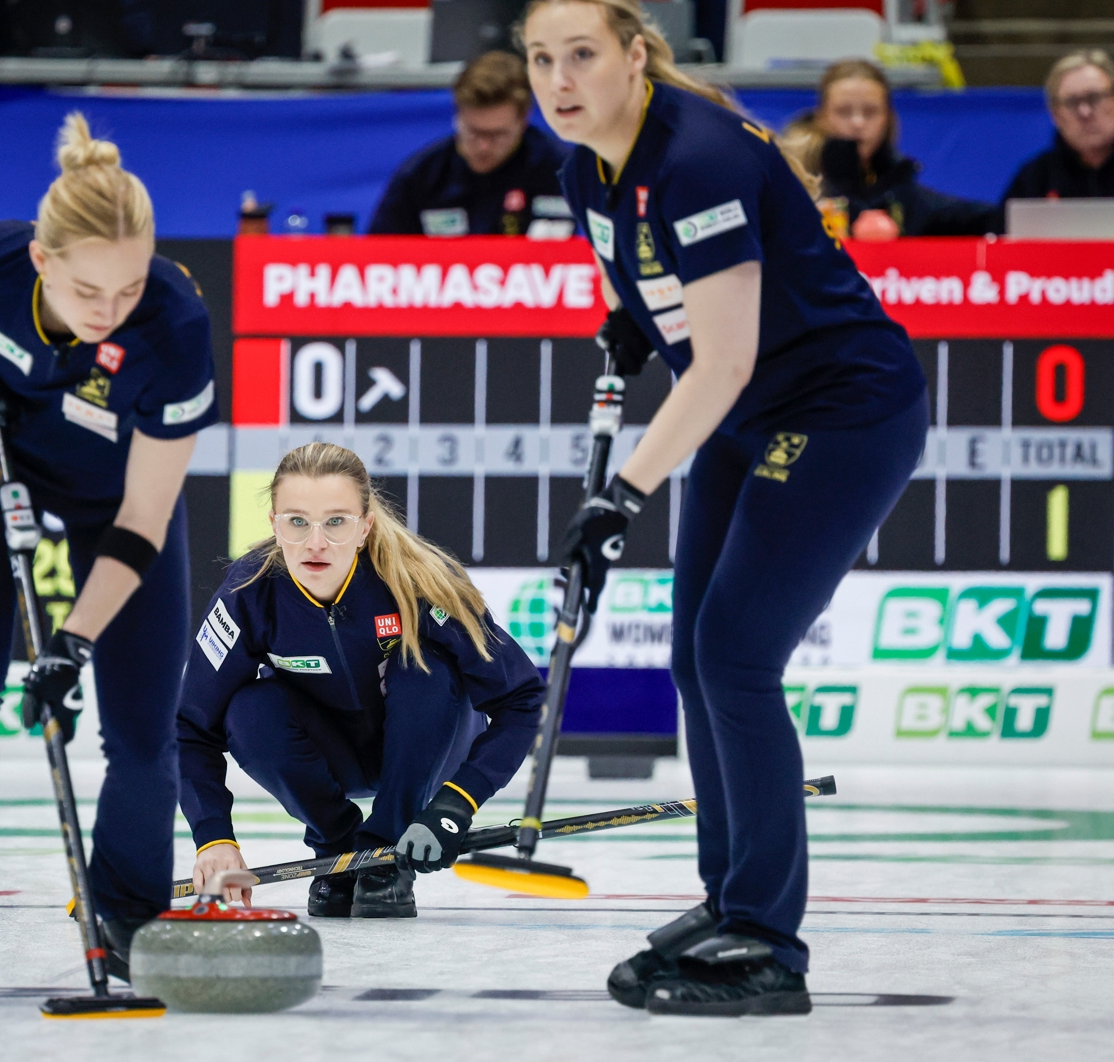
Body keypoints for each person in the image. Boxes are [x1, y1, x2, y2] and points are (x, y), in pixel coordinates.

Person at [524, 0, 928, 1016]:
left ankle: (765, 940)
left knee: (739, 656)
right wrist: (626, 320)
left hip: (839, 410)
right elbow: (661, 285)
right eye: (539, 58)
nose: (558, 79)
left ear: (632, 55)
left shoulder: (697, 157)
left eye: (581, 54)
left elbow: (727, 357)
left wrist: (621, 496)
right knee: (696, 657)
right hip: (751, 413)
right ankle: (727, 901)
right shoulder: (584, 164)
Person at [0, 113, 217, 990]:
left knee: (144, 733)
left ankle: (129, 903)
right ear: (42, 260)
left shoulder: (174, 331)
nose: (114, 309)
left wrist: (72, 642)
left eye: (132, 285)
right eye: (89, 292)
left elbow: (146, 515)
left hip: (116, 504)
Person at [176, 443, 543, 917]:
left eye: (335, 521)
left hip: (430, 746)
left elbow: (523, 698)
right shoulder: (249, 594)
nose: (315, 543)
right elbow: (190, 729)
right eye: (297, 521)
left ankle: (388, 848)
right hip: (328, 755)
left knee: (424, 666)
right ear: (273, 523)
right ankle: (338, 846)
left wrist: (458, 802)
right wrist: (213, 839)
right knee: (248, 708)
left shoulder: (421, 580)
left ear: (365, 525)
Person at [368, 50, 574, 237]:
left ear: (523, 122)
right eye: (473, 132)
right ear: (458, 117)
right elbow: (378, 260)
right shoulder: (421, 176)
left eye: (498, 135)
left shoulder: (562, 173)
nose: (483, 146)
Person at [783, 60, 995, 237]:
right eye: (844, 112)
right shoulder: (793, 178)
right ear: (822, 118)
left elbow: (955, 215)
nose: (858, 123)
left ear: (888, 119)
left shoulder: (897, 182)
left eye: (870, 112)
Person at [1003, 50, 1114, 202]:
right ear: (1055, 114)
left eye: (1094, 98)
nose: (1085, 112)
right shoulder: (1037, 178)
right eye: (1071, 102)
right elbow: (1003, 225)